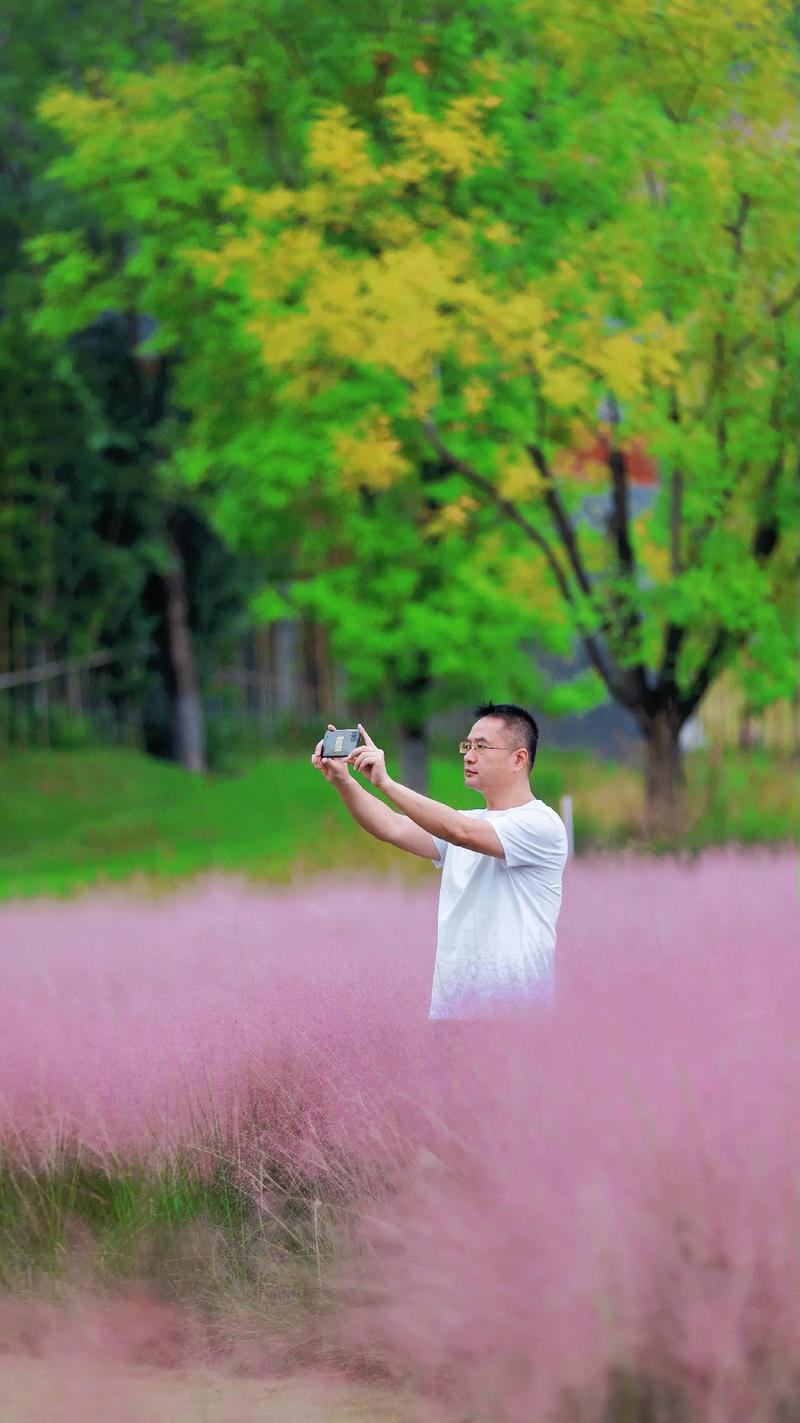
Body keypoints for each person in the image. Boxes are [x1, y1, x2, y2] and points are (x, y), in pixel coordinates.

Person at [310, 702, 568, 1020]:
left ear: (519, 758)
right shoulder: (469, 821)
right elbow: (392, 827)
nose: (469, 756)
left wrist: (386, 783)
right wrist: (343, 781)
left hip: (514, 1016)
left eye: (482, 747)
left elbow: (458, 831)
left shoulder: (540, 824)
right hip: (452, 1011)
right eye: (467, 746)